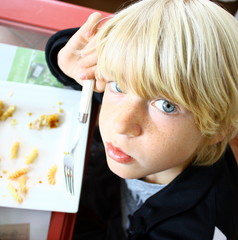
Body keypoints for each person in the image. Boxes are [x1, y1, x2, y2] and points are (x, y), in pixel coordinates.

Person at [45, 0, 238, 239]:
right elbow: (81, 62)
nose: (120, 123)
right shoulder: (148, 140)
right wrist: (72, 63)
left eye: (166, 106)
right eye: (118, 85)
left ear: (217, 128)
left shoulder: (195, 230)